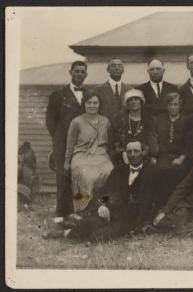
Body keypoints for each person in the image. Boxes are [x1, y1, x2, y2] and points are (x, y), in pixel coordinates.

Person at [43, 141, 157, 242]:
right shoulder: (120, 171)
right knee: (90, 223)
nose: (132, 155)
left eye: (136, 151)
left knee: (98, 236)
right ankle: (64, 233)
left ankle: (77, 227)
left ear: (143, 153)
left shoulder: (151, 172)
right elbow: (105, 192)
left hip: (133, 216)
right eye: (129, 152)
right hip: (114, 210)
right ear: (125, 154)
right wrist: (102, 205)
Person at [46, 60, 88, 218]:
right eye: (76, 71)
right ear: (70, 72)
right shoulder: (58, 95)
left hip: (83, 143)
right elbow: (50, 121)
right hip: (62, 143)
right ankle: (61, 213)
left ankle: (80, 210)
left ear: (86, 75)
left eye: (82, 72)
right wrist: (59, 139)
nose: (79, 74)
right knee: (63, 178)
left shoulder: (90, 94)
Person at [64, 91, 114, 213]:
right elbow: (70, 144)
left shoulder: (105, 122)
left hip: (101, 156)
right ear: (84, 104)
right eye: (89, 102)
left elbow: (110, 142)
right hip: (81, 156)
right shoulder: (76, 122)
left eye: (95, 103)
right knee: (86, 175)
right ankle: (82, 209)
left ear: (99, 105)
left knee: (110, 171)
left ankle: (102, 205)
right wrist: (67, 160)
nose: (92, 105)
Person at [149, 92, 191, 211]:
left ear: (180, 106)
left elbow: (189, 142)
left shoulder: (186, 120)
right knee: (160, 171)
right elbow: (153, 138)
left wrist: (181, 158)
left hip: (181, 156)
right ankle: (161, 206)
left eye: (175, 104)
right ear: (166, 106)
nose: (173, 107)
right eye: (170, 105)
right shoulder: (159, 120)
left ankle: (177, 206)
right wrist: (154, 156)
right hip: (163, 155)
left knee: (180, 172)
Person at [113, 89, 154, 157]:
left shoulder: (149, 119)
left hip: (145, 154)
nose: (133, 102)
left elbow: (151, 141)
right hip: (124, 154)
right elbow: (117, 140)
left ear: (141, 102)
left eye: (136, 99)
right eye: (130, 100)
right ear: (127, 103)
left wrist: (145, 152)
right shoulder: (120, 119)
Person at [94, 57, 132, 129]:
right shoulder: (97, 90)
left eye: (119, 66)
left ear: (123, 70)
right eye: (113, 65)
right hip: (104, 132)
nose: (117, 68)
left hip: (125, 133)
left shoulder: (130, 91)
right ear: (108, 70)